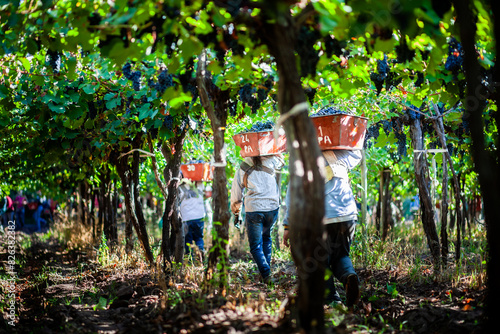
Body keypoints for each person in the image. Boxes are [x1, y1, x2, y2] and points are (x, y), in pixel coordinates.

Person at [283, 149, 362, 307]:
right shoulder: (343, 154)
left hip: (320, 217)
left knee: (319, 260)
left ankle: (332, 299)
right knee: (341, 255)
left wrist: (288, 225)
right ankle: (349, 277)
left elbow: (293, 195)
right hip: (347, 215)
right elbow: (357, 152)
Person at [230, 154, 285, 284]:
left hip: (254, 209)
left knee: (255, 246)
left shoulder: (244, 166)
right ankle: (266, 274)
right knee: (266, 238)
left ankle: (266, 273)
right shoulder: (273, 161)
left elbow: (236, 191)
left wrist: (236, 212)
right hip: (272, 207)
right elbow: (282, 160)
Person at [178, 179, 207, 258]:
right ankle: (201, 255)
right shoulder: (200, 184)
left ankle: (189, 259)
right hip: (199, 217)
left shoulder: (180, 188)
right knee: (199, 238)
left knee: (188, 240)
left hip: (186, 218)